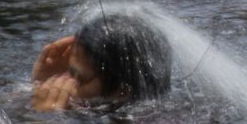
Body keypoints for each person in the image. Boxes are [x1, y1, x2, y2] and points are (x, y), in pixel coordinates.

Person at [31, 13, 172, 111]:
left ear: (121, 92)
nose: (62, 81)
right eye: (69, 71)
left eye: (79, 78)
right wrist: (39, 83)